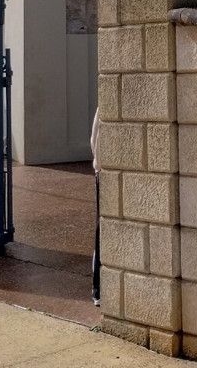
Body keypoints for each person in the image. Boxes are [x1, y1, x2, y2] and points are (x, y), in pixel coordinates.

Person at [90, 108, 100, 306]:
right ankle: (98, 289)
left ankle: (98, 290)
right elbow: (94, 140)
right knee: (103, 229)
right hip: (104, 171)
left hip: (102, 169)